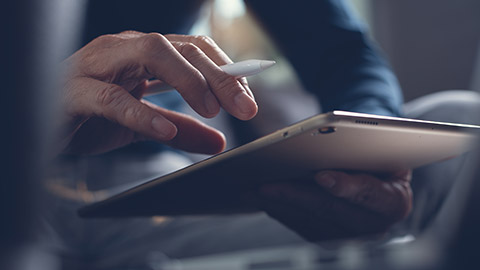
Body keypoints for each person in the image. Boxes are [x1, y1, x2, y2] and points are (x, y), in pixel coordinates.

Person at [45, 0, 414, 268]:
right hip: (14, 181)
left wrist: (366, 149)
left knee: (455, 119)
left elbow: (342, 53)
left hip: (155, 183)